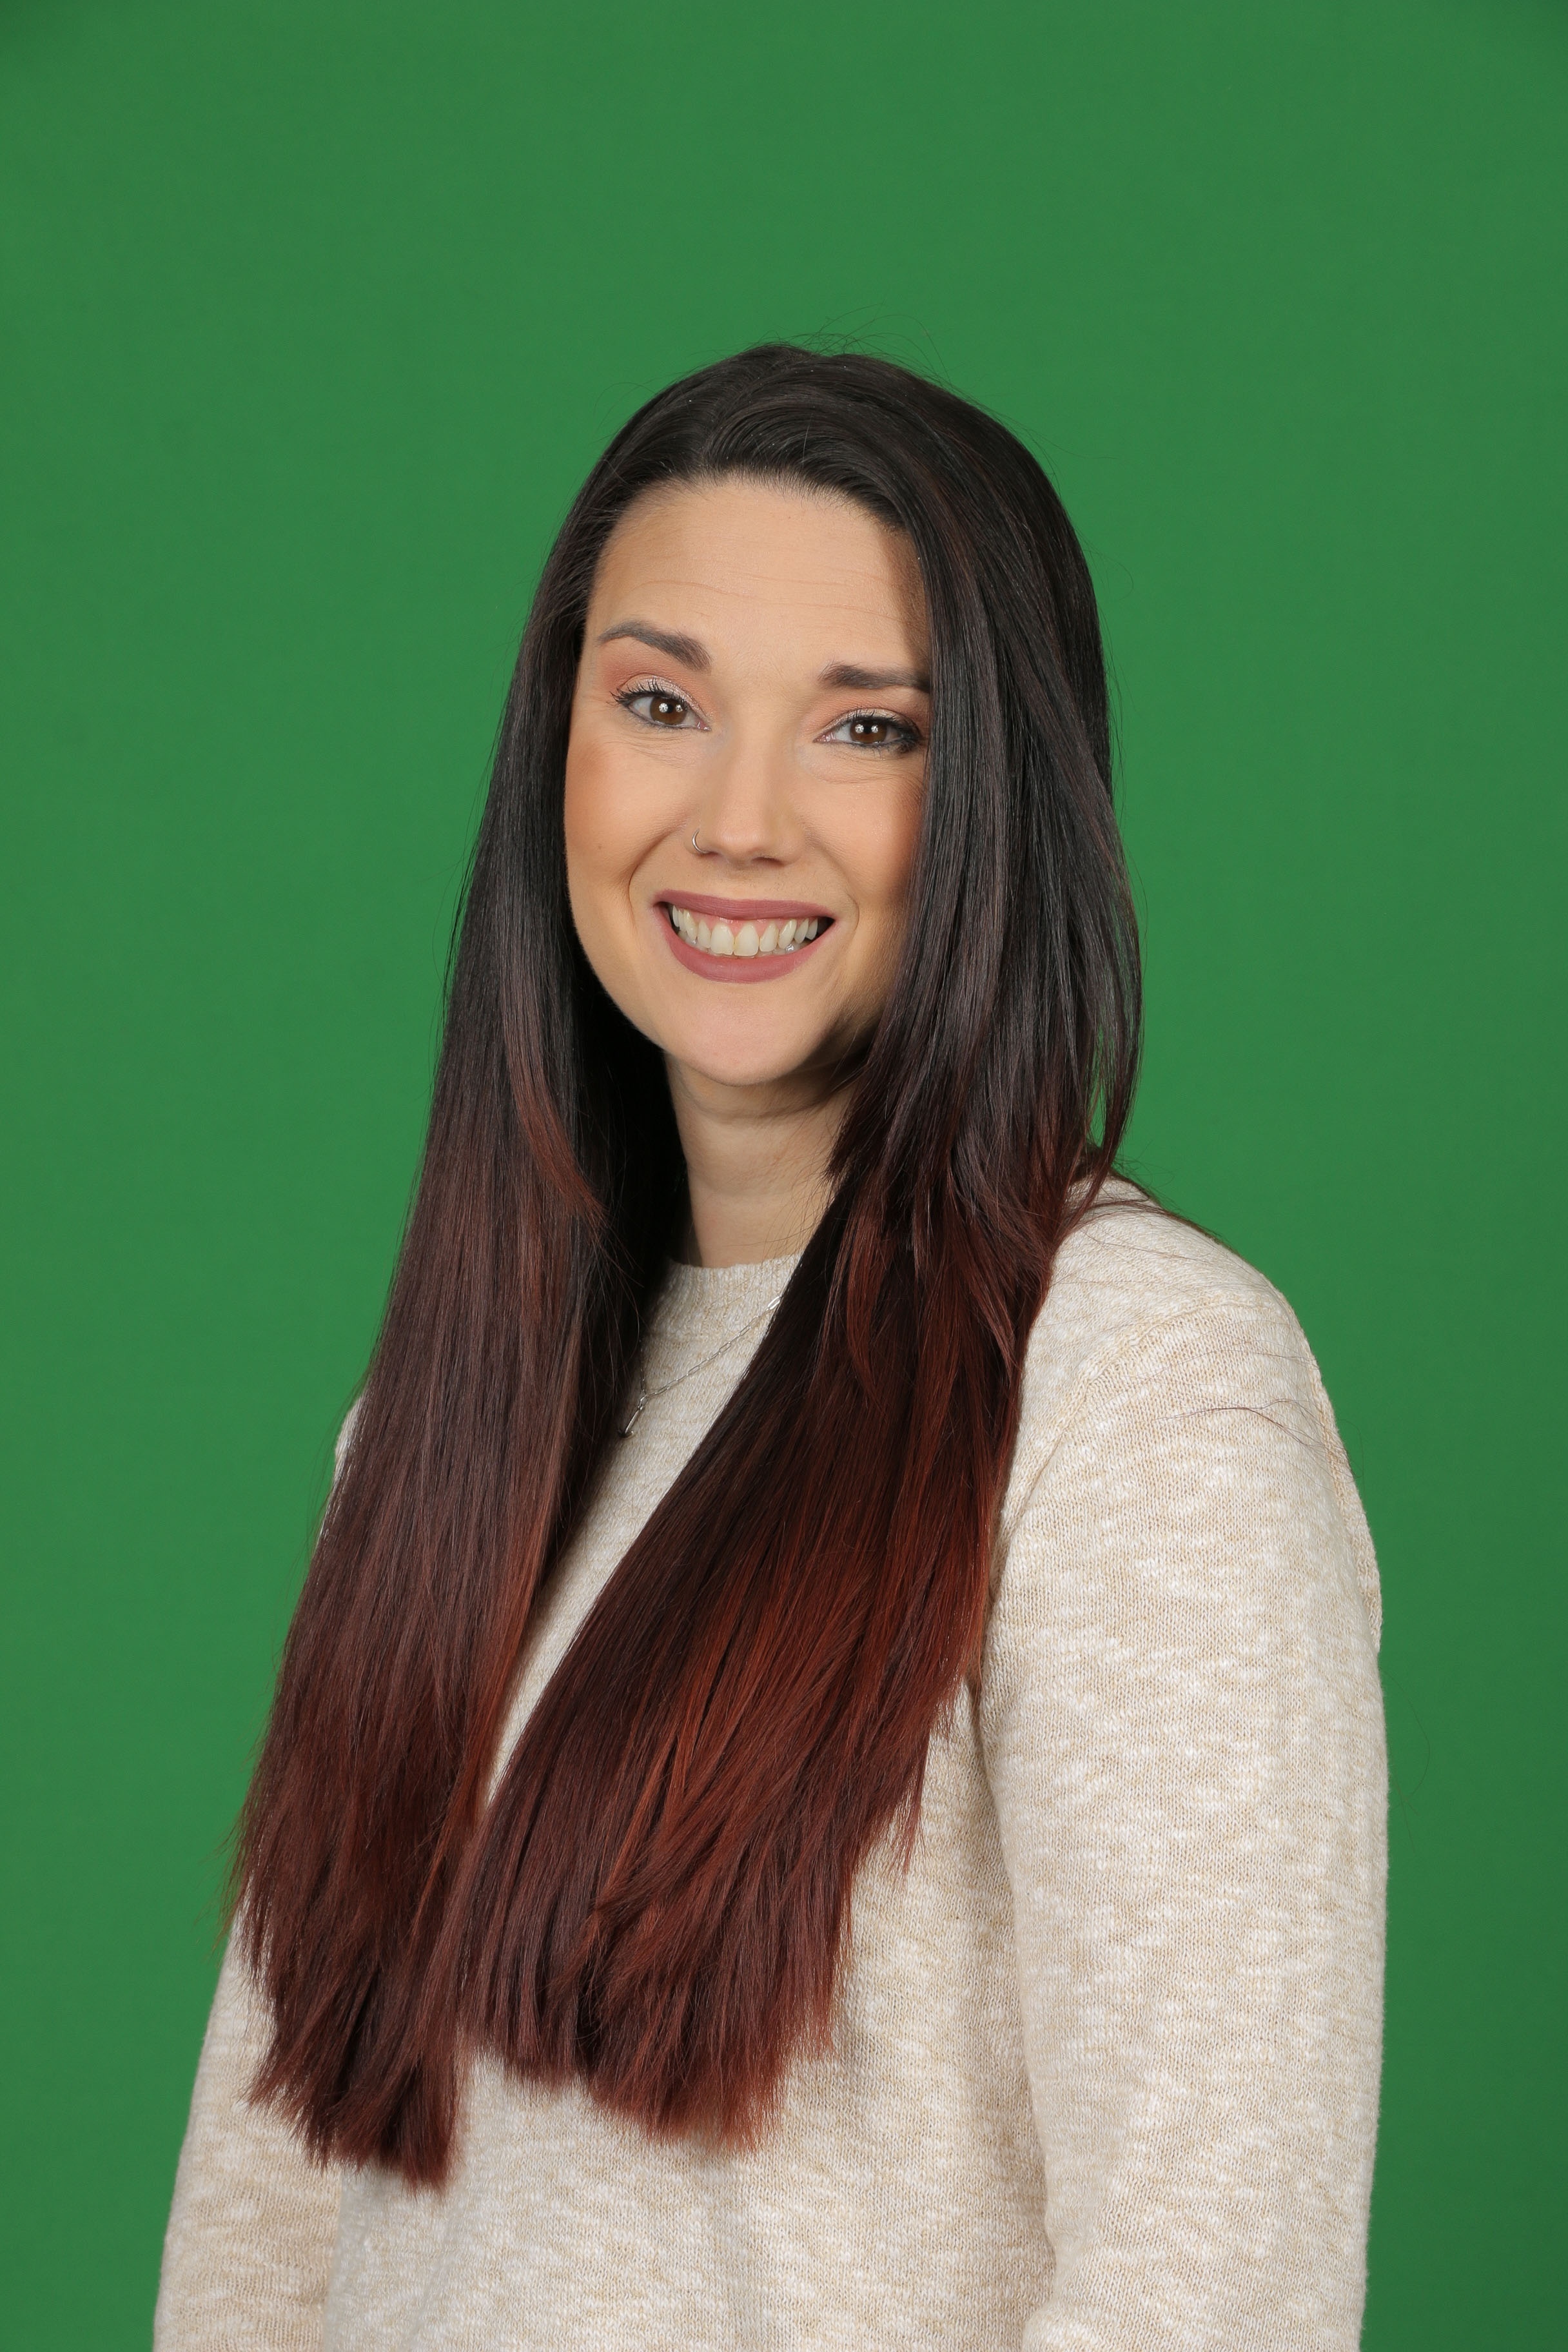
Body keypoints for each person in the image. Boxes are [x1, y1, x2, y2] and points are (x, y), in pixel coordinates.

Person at [155, 346, 1386, 2351]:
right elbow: (273, 2224)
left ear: (998, 803)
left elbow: (1212, 2292)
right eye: (660, 704)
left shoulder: (1133, 1392)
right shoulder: (443, 1422)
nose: (737, 821)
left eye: (866, 730)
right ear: (557, 749)